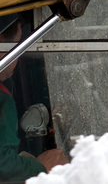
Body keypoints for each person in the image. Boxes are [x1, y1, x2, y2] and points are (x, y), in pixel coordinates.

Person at [0, 15, 66, 181]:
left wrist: (21, 162)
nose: (18, 56)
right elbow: (3, 166)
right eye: (17, 46)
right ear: (1, 42)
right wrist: (41, 167)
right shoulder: (2, 100)